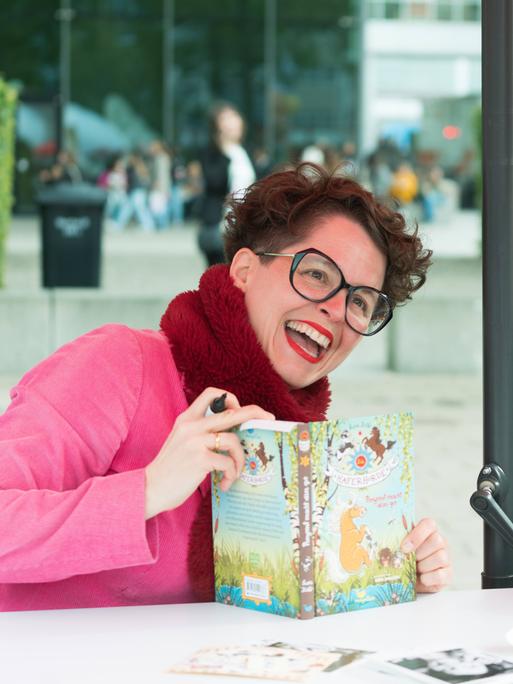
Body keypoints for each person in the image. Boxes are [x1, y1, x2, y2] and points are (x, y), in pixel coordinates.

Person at [0, 163, 451, 611]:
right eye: (316, 274)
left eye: (360, 301)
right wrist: (149, 490)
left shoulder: (295, 452)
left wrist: (386, 571)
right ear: (244, 270)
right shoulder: (120, 363)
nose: (336, 308)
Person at [198, 102, 256, 266]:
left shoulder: (243, 152)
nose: (232, 123)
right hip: (217, 226)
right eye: (226, 119)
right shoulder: (213, 153)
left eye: (234, 117)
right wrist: (223, 148)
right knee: (220, 279)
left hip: (240, 226)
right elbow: (214, 181)